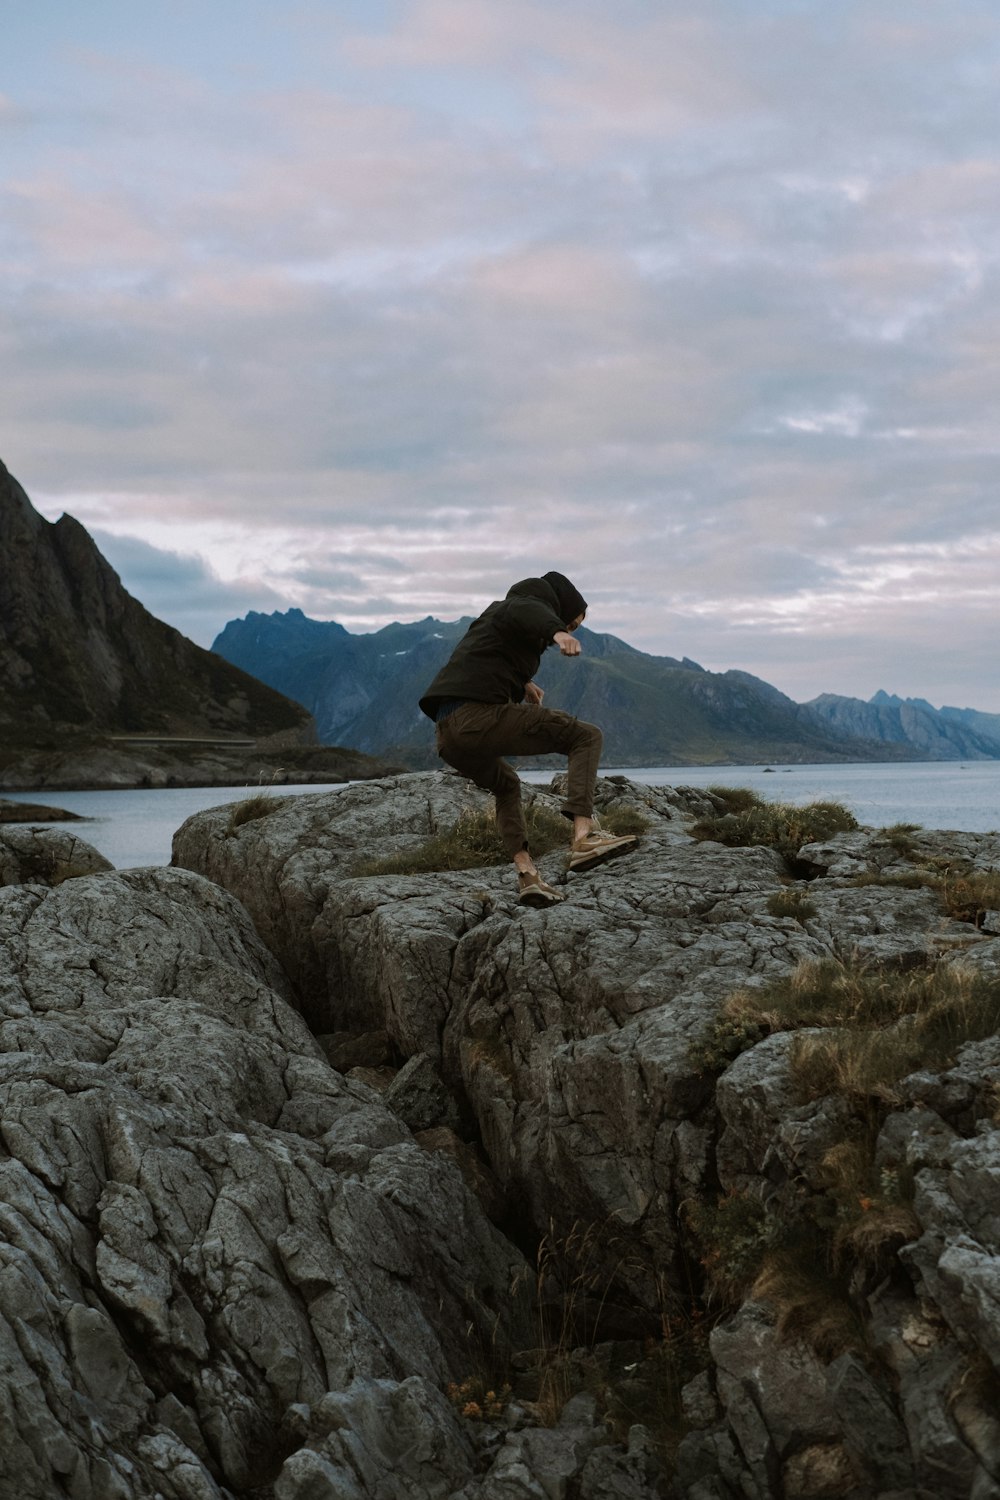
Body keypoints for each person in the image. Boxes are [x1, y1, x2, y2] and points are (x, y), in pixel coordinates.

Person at [418, 571, 638, 908]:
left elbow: (487, 657)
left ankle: (528, 875)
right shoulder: (523, 604)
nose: (574, 629)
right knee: (586, 736)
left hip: (449, 735)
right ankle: (584, 836)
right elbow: (529, 614)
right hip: (475, 719)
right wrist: (559, 633)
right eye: (574, 623)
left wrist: (523, 684)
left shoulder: (497, 621)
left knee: (507, 786)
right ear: (560, 607)